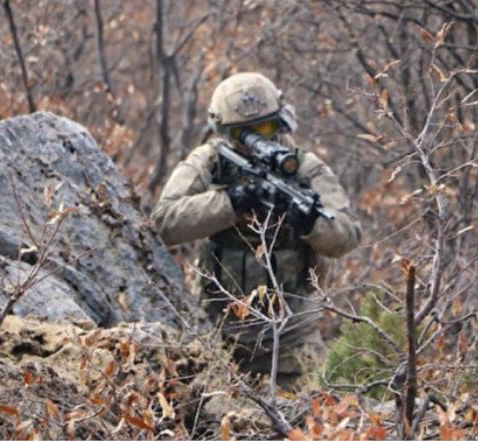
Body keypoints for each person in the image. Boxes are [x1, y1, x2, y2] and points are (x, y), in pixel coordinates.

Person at [152, 72, 360, 389]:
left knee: (324, 405)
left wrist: (310, 224)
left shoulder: (304, 168)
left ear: (280, 122)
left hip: (292, 334)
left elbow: (347, 235)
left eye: (265, 129)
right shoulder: (210, 162)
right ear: (224, 132)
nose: (258, 141)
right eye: (244, 134)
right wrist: (231, 202)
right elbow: (164, 223)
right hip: (217, 330)